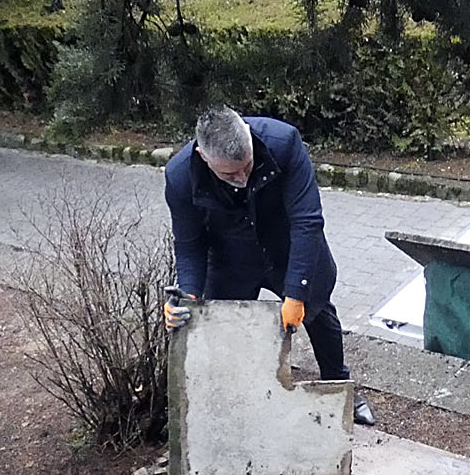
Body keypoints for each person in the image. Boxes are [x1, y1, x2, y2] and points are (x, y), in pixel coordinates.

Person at [162, 107, 377, 427]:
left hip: (288, 246)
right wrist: (189, 294)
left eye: (246, 167)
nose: (242, 178)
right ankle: (236, 397)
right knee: (224, 328)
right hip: (231, 256)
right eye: (229, 175)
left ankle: (340, 387)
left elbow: (308, 221)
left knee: (319, 314)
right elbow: (190, 244)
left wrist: (297, 293)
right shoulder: (180, 176)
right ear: (203, 157)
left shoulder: (284, 142)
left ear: (248, 137)